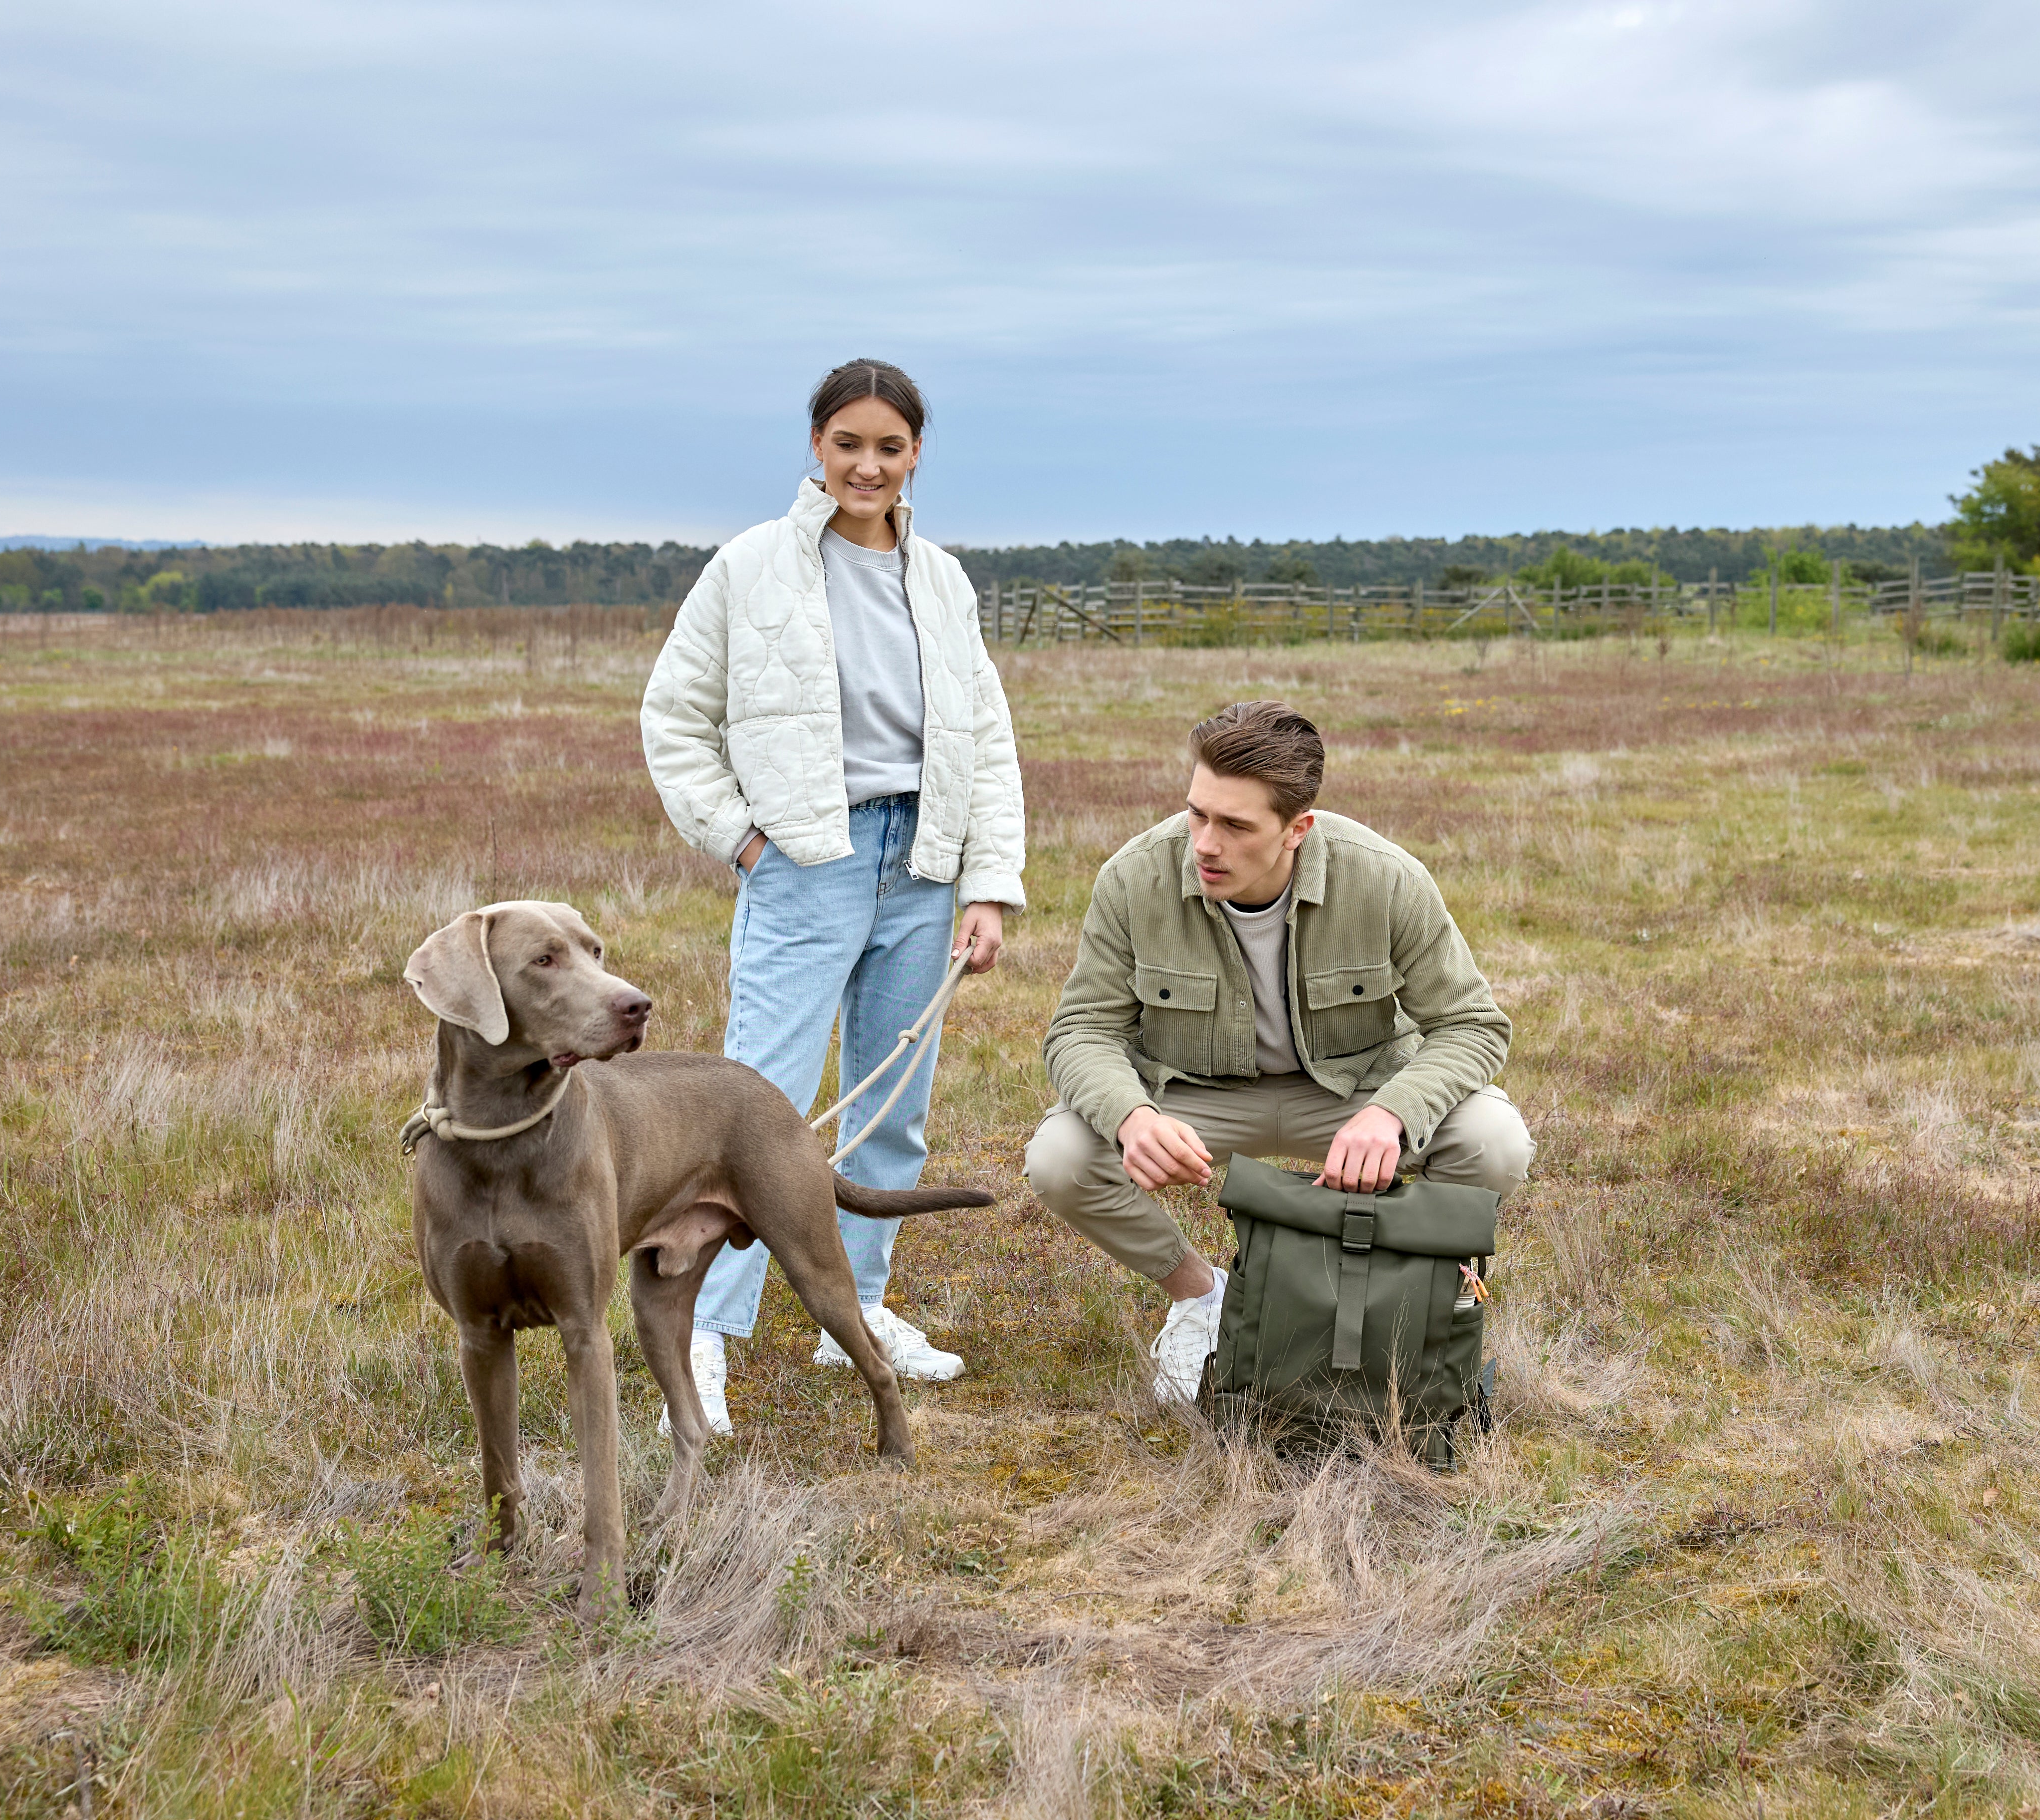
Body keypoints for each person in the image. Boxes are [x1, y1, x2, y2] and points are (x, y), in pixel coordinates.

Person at [641, 358, 1025, 1434]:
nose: (868, 465)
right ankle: (704, 1336)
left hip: (925, 864)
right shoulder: (749, 565)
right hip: (808, 861)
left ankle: (854, 1312)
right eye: (848, 443)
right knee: (748, 1113)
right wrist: (744, 840)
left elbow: (986, 738)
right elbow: (673, 716)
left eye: (889, 447)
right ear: (817, 446)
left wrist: (988, 885)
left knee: (892, 1107)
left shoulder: (943, 579)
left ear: (916, 455)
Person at [1025, 699, 1532, 1402]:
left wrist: (1392, 1113)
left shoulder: (1386, 878)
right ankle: (1201, 1298)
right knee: (1060, 1158)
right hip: (1196, 1095)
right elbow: (1081, 1029)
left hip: (1352, 1094)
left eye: (1236, 826)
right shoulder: (1133, 878)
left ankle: (1407, 1299)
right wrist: (1131, 1118)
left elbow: (1473, 1024)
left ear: (1299, 829)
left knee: (1493, 1141)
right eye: (1197, 814)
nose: (1205, 844)